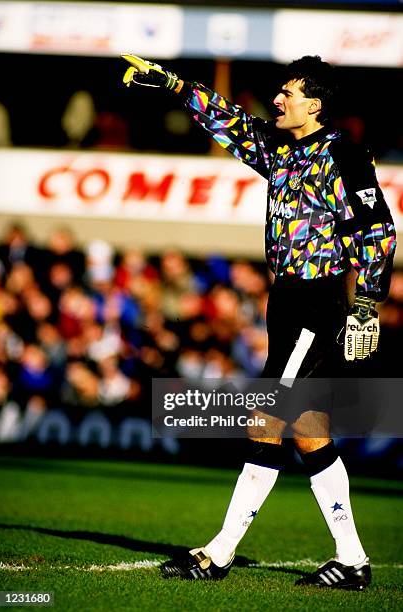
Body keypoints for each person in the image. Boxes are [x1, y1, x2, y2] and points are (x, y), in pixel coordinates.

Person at [120, 54, 397, 590]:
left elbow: (378, 231)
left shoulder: (342, 156)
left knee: (266, 415)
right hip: (286, 298)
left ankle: (219, 553)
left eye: (288, 93)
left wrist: (366, 304)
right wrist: (177, 85)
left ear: (315, 104)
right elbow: (231, 122)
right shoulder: (280, 148)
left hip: (317, 301)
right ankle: (353, 559)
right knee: (309, 429)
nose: (278, 100)